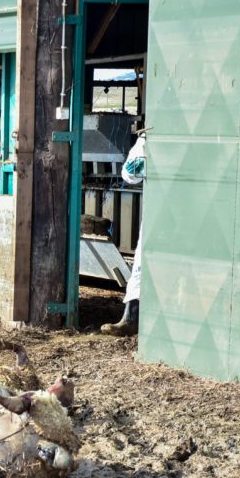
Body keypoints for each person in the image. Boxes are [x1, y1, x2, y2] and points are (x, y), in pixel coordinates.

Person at [101, 131, 145, 337]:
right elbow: (129, 174)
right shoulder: (148, 140)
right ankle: (131, 318)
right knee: (143, 263)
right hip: (162, 210)